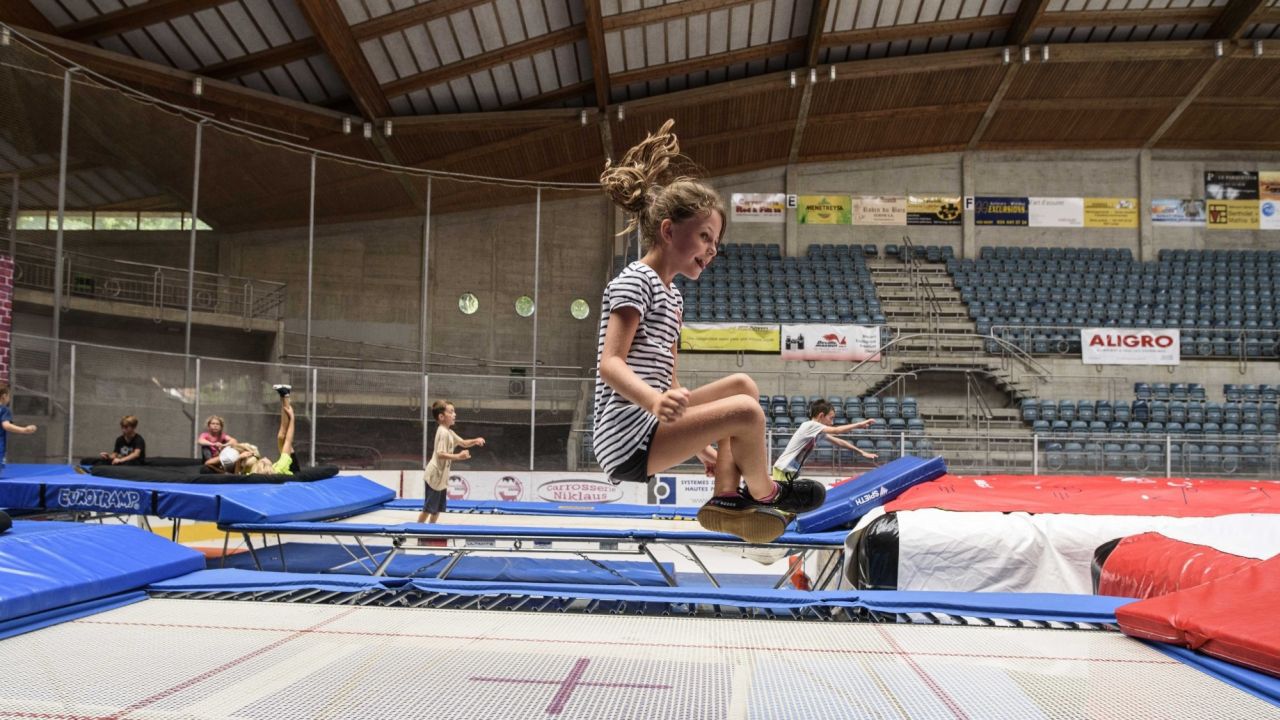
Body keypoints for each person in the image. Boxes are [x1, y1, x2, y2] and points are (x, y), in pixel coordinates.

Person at [594, 119, 826, 544]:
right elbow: (611, 364)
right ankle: (767, 492)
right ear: (668, 230)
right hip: (627, 440)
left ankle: (725, 494)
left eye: (715, 243)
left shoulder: (674, 298)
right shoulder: (635, 280)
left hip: (651, 421)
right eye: (704, 237)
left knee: (742, 385)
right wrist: (654, 399)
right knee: (747, 413)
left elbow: (670, 379)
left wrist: (703, 447)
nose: (711, 250)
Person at [773, 400, 878, 482]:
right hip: (784, 469)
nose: (832, 422)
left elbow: (839, 442)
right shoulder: (810, 425)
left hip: (791, 470)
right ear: (821, 416)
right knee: (781, 505)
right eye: (831, 418)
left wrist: (862, 452)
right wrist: (859, 424)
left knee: (786, 504)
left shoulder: (817, 432)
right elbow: (836, 431)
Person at [418, 400, 485, 525]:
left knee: (437, 509)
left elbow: (464, 443)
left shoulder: (449, 432)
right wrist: (458, 456)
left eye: (454, 411)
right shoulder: (442, 432)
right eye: (451, 412)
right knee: (428, 509)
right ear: (441, 417)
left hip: (441, 477)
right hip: (434, 476)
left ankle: (430, 531)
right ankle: (414, 530)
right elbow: (440, 454)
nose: (454, 414)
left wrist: (475, 440)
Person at [211, 385, 298, 475]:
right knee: (283, 438)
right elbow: (288, 440)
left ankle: (284, 395)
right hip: (293, 468)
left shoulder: (253, 473)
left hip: (276, 468)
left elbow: (237, 476)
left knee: (281, 437)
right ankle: (285, 396)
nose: (264, 458)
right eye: (264, 461)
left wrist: (238, 459)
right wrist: (292, 418)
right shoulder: (279, 468)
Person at [0, 384, 37, 475]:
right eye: (9, 395)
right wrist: (24, 430)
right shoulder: (4, 410)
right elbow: (6, 425)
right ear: (4, 396)